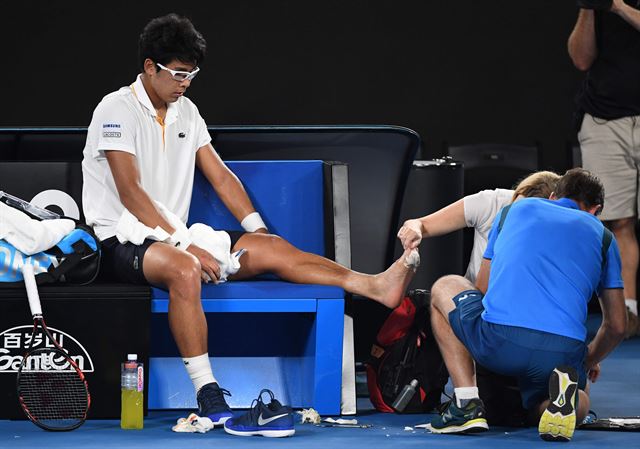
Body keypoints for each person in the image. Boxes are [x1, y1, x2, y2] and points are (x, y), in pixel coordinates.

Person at [81, 13, 418, 426]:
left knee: (271, 248)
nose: (185, 83)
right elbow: (131, 193)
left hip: (175, 236)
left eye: (192, 74)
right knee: (186, 269)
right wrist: (184, 245)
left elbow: (220, 176)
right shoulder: (115, 109)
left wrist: (256, 226)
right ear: (150, 67)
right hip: (122, 240)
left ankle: (372, 285)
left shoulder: (187, 111)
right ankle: (207, 392)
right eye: (178, 74)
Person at [425, 168, 626, 441]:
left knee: (445, 286)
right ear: (596, 209)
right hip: (561, 354)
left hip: (499, 346)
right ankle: (558, 404)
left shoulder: (512, 211)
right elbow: (616, 325)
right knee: (579, 398)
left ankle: (466, 403)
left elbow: (482, 288)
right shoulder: (603, 237)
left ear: (554, 196)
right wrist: (587, 359)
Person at [569, 0, 640, 338]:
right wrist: (589, 8)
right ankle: (625, 311)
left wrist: (617, 7)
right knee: (614, 221)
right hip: (604, 118)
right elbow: (581, 58)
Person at [397, 170, 560, 284]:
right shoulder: (491, 202)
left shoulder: (560, 229)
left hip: (522, 304)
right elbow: (421, 223)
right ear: (516, 194)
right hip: (477, 299)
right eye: (517, 208)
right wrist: (414, 229)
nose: (517, 218)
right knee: (446, 286)